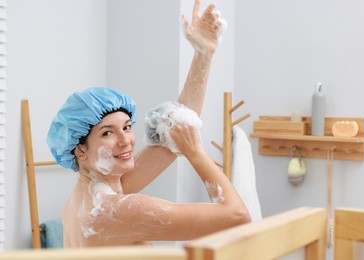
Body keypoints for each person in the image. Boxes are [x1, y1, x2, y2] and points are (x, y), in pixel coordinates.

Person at [47, 0, 250, 248]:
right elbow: (237, 218)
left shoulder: (89, 197)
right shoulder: (115, 210)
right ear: (80, 149)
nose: (125, 140)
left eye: (127, 127)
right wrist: (196, 154)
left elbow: (179, 126)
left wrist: (203, 55)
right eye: (107, 133)